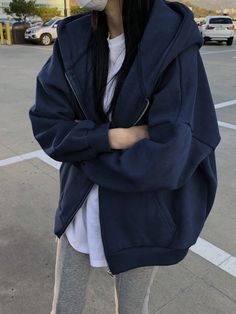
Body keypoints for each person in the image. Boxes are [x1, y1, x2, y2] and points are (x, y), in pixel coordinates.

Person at [28, 0, 221, 313]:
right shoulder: (75, 38)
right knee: (64, 307)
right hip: (78, 206)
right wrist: (114, 137)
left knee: (132, 309)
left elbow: (167, 157)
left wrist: (83, 147)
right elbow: (48, 123)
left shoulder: (173, 43)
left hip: (140, 214)